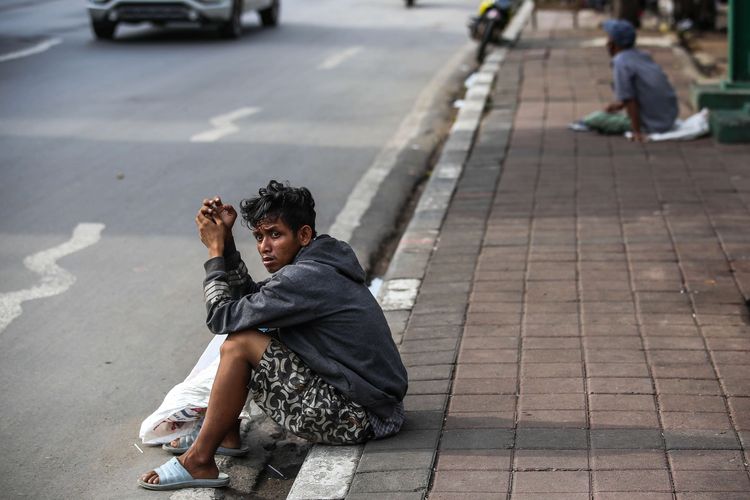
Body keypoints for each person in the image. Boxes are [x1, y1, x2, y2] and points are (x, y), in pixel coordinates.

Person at [139, 180, 408, 490]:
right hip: (373, 407)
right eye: (259, 236)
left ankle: (199, 460)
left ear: (304, 235)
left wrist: (214, 255)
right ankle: (224, 431)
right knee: (254, 328)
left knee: (240, 344)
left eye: (275, 235)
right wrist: (226, 245)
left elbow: (221, 317)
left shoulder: (306, 277)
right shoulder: (319, 262)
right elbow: (254, 303)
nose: (265, 247)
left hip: (361, 418)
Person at [570, 19, 678, 142]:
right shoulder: (642, 55)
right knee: (613, 114)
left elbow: (629, 98)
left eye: (609, 39)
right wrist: (619, 105)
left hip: (651, 124)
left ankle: (588, 123)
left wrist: (636, 131)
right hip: (668, 118)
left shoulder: (621, 62)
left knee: (594, 118)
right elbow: (643, 89)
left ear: (612, 44)